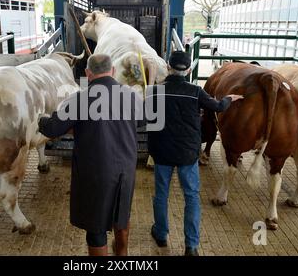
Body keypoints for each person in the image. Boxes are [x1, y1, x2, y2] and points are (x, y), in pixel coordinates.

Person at [38, 54, 143, 256]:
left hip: (96, 172)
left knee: (96, 227)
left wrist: (41, 119)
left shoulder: (79, 99)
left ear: (88, 73)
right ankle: (122, 255)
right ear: (112, 71)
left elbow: (53, 129)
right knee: (121, 215)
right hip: (126, 170)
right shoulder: (132, 96)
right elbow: (142, 120)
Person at [147, 51, 243, 256]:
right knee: (191, 196)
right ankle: (191, 245)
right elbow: (218, 106)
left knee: (161, 194)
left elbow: (143, 117)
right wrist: (229, 99)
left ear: (168, 67)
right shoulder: (196, 91)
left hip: (162, 152)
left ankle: (161, 234)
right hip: (188, 154)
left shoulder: (154, 91)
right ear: (189, 69)